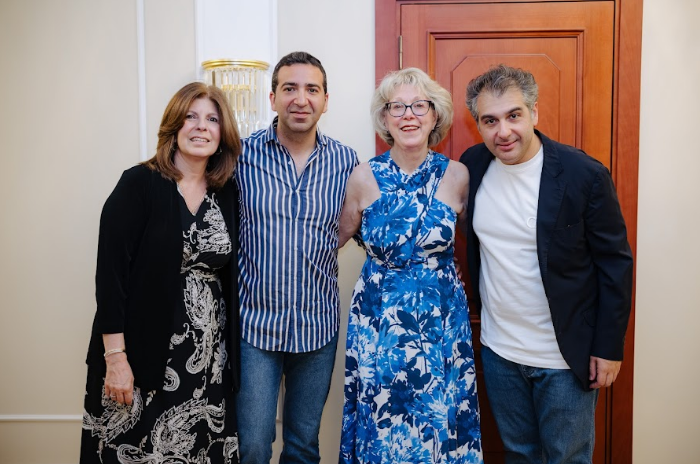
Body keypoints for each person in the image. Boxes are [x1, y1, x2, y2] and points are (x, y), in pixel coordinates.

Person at [459, 64, 634, 464]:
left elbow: (615, 266)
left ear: (534, 113)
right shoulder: (473, 165)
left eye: (513, 115)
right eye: (490, 120)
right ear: (478, 125)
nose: (503, 132)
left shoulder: (583, 174)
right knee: (519, 455)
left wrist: (609, 347)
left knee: (566, 458)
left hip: (565, 359)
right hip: (500, 352)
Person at [80, 82, 242, 464]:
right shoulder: (139, 183)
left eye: (212, 120)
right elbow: (110, 278)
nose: (201, 127)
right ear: (174, 125)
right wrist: (115, 358)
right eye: (191, 117)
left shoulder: (226, 193)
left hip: (208, 365)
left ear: (222, 134)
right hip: (141, 357)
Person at [338, 67, 483, 464]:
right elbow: (335, 239)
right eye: (396, 107)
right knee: (382, 421)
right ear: (384, 118)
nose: (408, 116)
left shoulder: (458, 176)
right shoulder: (363, 177)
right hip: (379, 321)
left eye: (420, 106)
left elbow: (478, 244)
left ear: (435, 115)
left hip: (441, 320)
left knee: (441, 417)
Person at [234, 51, 358, 464]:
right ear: (272, 98)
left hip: (317, 325)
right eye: (289, 88)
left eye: (312, 89)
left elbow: (361, 226)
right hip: (255, 327)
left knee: (303, 447)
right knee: (252, 446)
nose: (300, 99)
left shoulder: (346, 162)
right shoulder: (241, 156)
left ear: (326, 100)